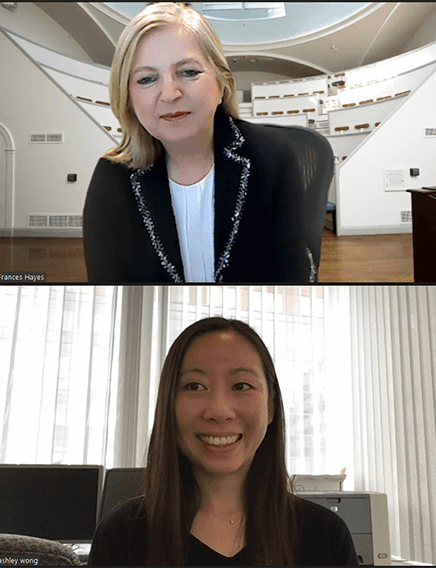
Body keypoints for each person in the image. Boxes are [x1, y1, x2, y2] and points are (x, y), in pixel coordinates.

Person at [83, 2, 332, 283]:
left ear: (221, 83)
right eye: (147, 79)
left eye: (189, 72)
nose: (169, 93)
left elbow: (293, 274)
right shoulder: (111, 176)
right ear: (127, 96)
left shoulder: (274, 156)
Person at [89, 317, 358, 565]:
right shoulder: (120, 536)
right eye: (194, 386)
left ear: (271, 407)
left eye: (241, 386)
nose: (219, 411)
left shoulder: (326, 536)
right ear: (168, 406)